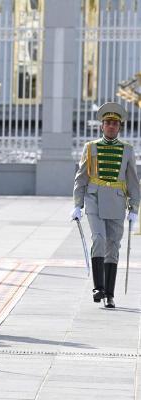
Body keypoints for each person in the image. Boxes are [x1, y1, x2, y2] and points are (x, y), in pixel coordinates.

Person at [72, 102, 139, 309]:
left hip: (118, 200)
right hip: (95, 198)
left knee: (113, 246)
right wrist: (77, 203)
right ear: (101, 126)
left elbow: (133, 181)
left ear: (120, 127)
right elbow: (81, 177)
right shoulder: (90, 147)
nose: (111, 126)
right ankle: (98, 287)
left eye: (115, 123)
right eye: (108, 123)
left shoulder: (127, 150)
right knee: (99, 238)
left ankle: (109, 294)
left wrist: (134, 208)